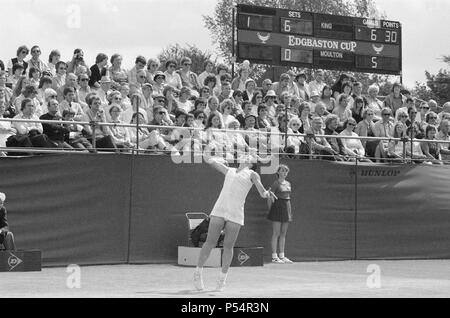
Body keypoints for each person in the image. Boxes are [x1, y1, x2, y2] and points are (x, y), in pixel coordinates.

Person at [194, 154, 277, 291]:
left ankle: (222, 279)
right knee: (210, 242)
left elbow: (262, 192)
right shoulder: (229, 170)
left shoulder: (253, 174)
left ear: (251, 164)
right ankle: (198, 272)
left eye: (250, 156)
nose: (246, 156)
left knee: (228, 246)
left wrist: (268, 193)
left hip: (235, 213)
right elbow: (209, 160)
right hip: (220, 209)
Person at [267, 164, 293, 264]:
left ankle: (282, 255)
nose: (284, 173)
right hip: (277, 207)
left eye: (286, 171)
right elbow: (270, 197)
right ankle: (274, 256)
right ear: (278, 172)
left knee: (283, 233)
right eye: (282, 171)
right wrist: (271, 209)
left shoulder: (288, 183)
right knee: (276, 233)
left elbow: (287, 196)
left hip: (286, 207)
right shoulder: (275, 183)